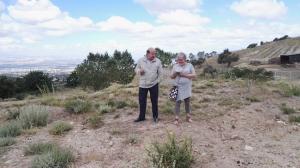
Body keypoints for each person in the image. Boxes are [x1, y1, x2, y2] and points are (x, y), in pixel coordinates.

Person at [134, 48, 163, 123]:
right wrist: (139, 71)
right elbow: (136, 69)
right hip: (143, 84)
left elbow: (160, 74)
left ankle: (155, 117)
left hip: (154, 84)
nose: (154, 55)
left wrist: (157, 81)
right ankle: (141, 117)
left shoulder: (158, 61)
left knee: (154, 101)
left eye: (155, 54)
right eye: (152, 54)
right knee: (142, 102)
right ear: (147, 53)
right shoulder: (141, 60)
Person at [170, 52, 196, 125]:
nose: (180, 61)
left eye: (181, 59)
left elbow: (194, 75)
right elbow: (171, 77)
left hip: (187, 87)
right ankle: (176, 118)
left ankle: (188, 117)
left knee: (187, 102)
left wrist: (183, 75)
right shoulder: (175, 66)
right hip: (178, 86)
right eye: (178, 60)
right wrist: (175, 73)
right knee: (177, 102)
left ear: (185, 59)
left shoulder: (190, 65)